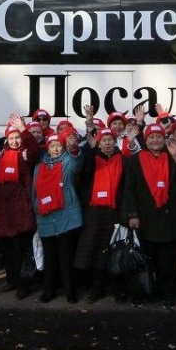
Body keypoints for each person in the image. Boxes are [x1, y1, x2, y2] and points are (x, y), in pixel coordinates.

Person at [121, 123, 176, 309]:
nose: (155, 140)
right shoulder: (136, 160)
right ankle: (142, 292)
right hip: (146, 218)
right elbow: (129, 189)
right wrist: (132, 215)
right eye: (151, 137)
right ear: (146, 140)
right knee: (144, 260)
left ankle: (167, 293)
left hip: (169, 219)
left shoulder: (170, 157)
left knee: (167, 261)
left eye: (158, 136)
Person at [74, 126, 133, 303]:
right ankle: (96, 289)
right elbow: (85, 171)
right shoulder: (92, 158)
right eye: (104, 140)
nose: (107, 143)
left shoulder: (123, 160)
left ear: (115, 142)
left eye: (110, 140)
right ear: (99, 144)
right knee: (95, 252)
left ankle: (118, 289)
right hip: (94, 213)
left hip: (115, 212)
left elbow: (127, 188)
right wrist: (91, 149)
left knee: (115, 252)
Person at [33, 131, 84, 303]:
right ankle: (49, 290)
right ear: (47, 148)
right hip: (46, 218)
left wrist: (73, 148)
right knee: (50, 258)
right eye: (52, 146)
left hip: (66, 218)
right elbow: (34, 192)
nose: (55, 149)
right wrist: (37, 209)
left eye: (59, 146)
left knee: (66, 258)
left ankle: (70, 291)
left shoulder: (67, 162)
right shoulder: (39, 167)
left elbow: (76, 161)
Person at [0, 116, 38, 299]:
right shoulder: (1, 156)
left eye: (17, 137)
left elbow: (34, 150)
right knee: (8, 250)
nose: (15, 141)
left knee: (21, 250)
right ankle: (12, 280)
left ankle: (24, 284)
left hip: (20, 207)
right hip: (3, 209)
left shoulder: (24, 154)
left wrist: (24, 129)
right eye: (11, 138)